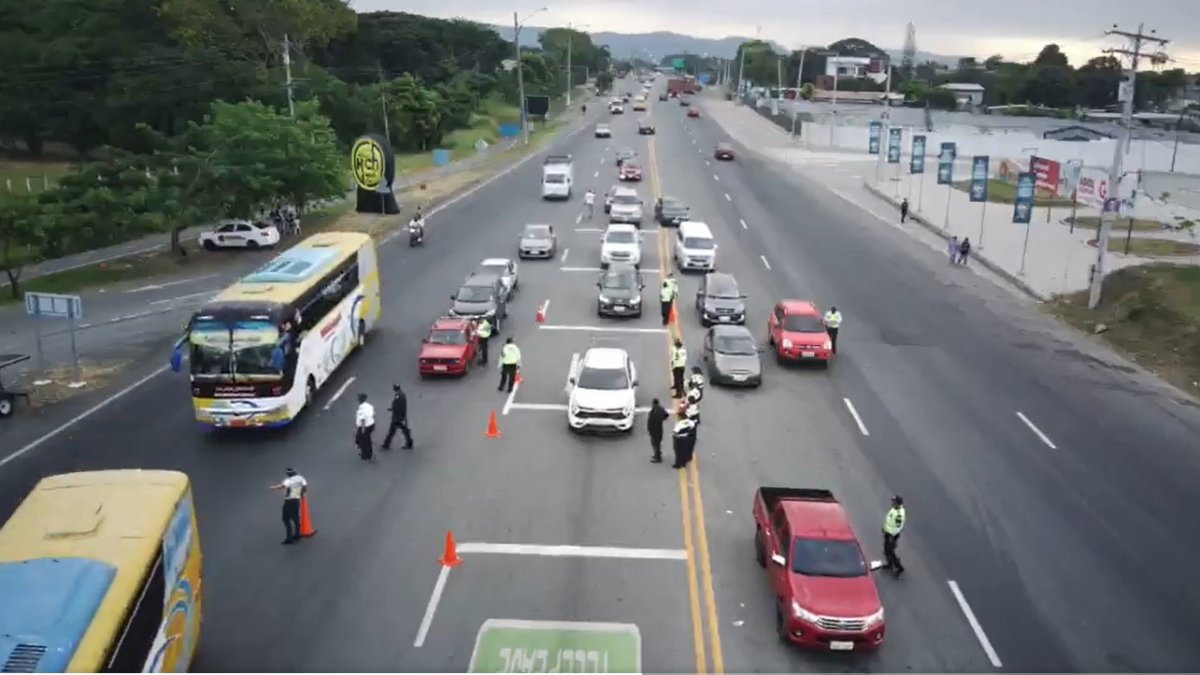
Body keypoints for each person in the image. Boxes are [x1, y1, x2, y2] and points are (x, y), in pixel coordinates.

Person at [269, 468, 307, 545]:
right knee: (296, 518)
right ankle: (297, 535)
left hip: (289, 501)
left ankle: (289, 538)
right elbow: (305, 486)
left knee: (285, 519)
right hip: (296, 500)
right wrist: (301, 493)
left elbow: (282, 486)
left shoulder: (288, 480)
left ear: (288, 474)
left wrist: (273, 488)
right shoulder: (301, 478)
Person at [382, 383, 413, 450]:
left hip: (397, 417)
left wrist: (393, 410)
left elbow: (398, 406)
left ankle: (386, 444)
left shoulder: (398, 396)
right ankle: (409, 443)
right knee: (404, 430)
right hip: (401, 416)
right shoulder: (402, 394)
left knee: (393, 431)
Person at [882, 495, 906, 578]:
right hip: (888, 533)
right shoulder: (894, 509)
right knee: (887, 550)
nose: (891, 502)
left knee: (890, 552)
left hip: (892, 535)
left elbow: (898, 527)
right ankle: (890, 564)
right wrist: (885, 528)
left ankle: (899, 567)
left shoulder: (899, 514)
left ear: (897, 503)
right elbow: (890, 520)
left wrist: (892, 537)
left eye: (893, 501)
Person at [647, 398, 669, 464]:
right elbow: (666, 415)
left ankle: (658, 457)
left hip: (654, 429)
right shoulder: (661, 409)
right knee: (657, 443)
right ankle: (657, 454)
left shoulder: (654, 411)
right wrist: (662, 419)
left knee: (655, 443)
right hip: (659, 428)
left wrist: (649, 430)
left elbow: (650, 421)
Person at [355, 393, 376, 460]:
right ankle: (368, 453)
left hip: (365, 426)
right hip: (371, 424)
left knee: (363, 441)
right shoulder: (369, 405)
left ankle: (366, 455)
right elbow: (373, 413)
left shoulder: (361, 408)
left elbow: (362, 419)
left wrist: (363, 429)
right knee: (367, 439)